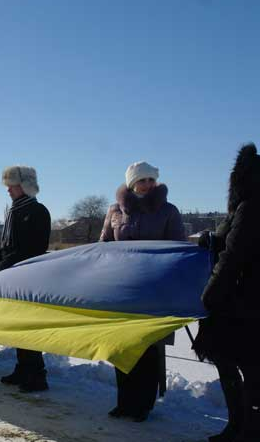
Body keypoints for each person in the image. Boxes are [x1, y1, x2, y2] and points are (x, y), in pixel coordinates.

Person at [100, 161, 185, 422]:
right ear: (131, 183)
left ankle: (143, 405)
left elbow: (178, 248)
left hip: (152, 289)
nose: (147, 185)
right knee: (121, 346)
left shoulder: (168, 211)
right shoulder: (115, 211)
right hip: (121, 288)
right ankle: (124, 401)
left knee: (148, 348)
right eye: (142, 180)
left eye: (151, 180)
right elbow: (103, 245)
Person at [194, 144, 260, 442]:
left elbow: (232, 258)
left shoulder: (249, 208)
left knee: (239, 367)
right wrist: (212, 238)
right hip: (246, 303)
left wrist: (209, 296)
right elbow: (228, 243)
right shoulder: (245, 209)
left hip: (240, 306)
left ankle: (243, 429)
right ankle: (242, 427)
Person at [0, 166, 51, 393]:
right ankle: (23, 368)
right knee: (17, 325)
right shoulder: (13, 211)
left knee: (29, 327)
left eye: (12, 185)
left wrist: (9, 260)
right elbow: (6, 244)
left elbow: (35, 247)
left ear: (24, 186)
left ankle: (37, 374)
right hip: (13, 276)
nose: (8, 190)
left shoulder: (38, 211)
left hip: (29, 277)